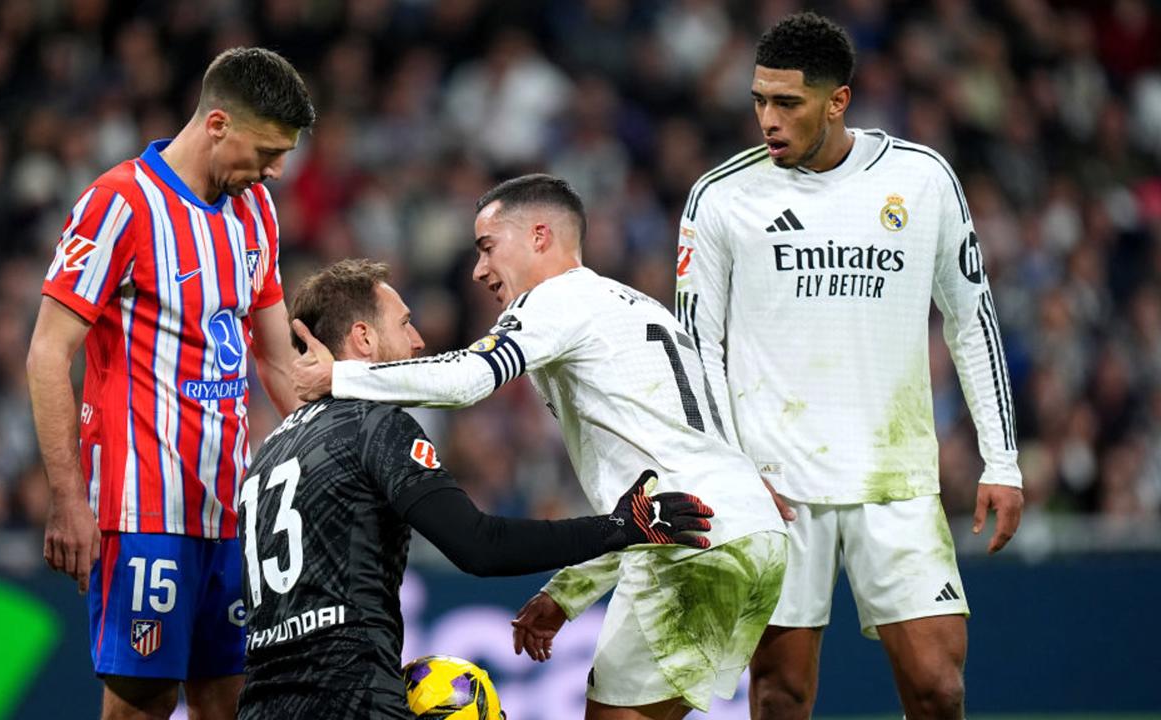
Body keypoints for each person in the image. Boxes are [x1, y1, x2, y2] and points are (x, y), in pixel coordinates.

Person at [293, 175, 789, 720]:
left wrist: (341, 376)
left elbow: (467, 380)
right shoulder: (638, 309)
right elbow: (644, 509)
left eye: (487, 247)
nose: (478, 270)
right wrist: (569, 593)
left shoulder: (558, 301)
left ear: (539, 236)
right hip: (744, 527)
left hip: (696, 541)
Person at [671, 13, 1024, 720]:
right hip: (774, 485)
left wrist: (1002, 460)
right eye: (759, 101)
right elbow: (692, 350)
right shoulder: (721, 198)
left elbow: (971, 318)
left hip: (893, 479)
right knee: (780, 695)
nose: (767, 120)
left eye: (787, 103)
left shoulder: (921, 180)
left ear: (838, 101)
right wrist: (719, 473)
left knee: (938, 687)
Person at [237, 259, 715, 719]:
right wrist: (622, 526)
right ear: (363, 338)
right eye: (404, 323)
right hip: (353, 697)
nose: (419, 340)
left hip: (259, 704)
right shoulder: (374, 424)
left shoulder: (267, 454)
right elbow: (479, 546)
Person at [25, 47, 315, 720]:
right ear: (217, 124)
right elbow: (48, 352)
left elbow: (276, 361)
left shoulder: (256, 213)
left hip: (231, 512)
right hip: (141, 512)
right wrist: (68, 497)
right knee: (141, 706)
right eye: (268, 151)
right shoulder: (119, 204)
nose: (275, 170)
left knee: (233, 702)